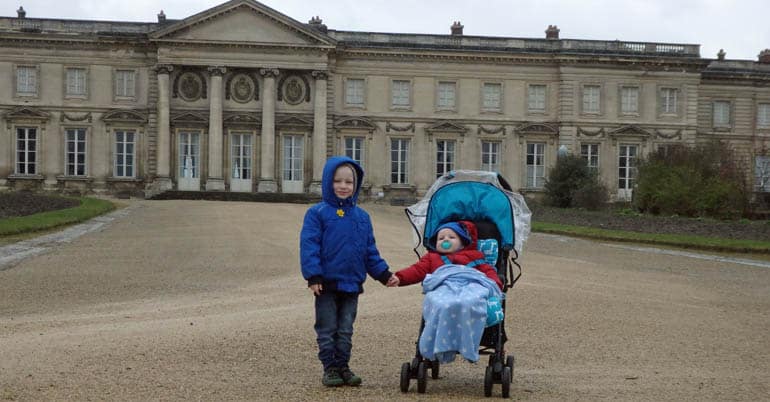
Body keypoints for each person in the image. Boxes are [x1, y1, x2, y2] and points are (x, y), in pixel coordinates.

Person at [300, 156, 394, 387]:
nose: (343, 186)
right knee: (327, 328)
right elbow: (309, 245)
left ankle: (343, 366)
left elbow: (369, 251)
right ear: (327, 182)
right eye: (338, 181)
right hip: (326, 284)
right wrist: (313, 275)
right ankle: (330, 368)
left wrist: (384, 274)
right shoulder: (317, 213)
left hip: (352, 283)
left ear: (356, 185)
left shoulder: (362, 217)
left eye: (349, 182)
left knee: (345, 330)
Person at [387, 220, 503, 290]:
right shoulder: (432, 258)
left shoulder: (474, 256)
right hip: (443, 291)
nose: (445, 240)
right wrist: (400, 277)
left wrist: (494, 283)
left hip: (469, 290)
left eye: (451, 237)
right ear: (435, 243)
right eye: (441, 238)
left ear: (463, 243)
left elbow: (488, 270)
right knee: (438, 302)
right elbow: (417, 270)